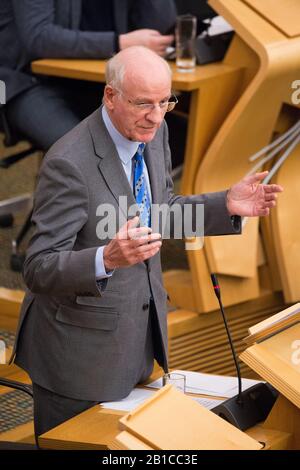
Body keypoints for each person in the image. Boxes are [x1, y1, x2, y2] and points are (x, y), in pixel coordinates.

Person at [11, 46, 283, 439]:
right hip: (77, 358)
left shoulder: (153, 132)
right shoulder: (68, 163)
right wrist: (105, 258)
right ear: (110, 96)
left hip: (137, 339)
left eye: (165, 102)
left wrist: (224, 204)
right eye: (143, 104)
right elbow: (37, 268)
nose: (156, 116)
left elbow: (158, 212)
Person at [0, 0, 176, 150]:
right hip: (24, 82)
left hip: (99, 85)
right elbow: (39, 38)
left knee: (169, 141)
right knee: (88, 154)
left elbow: (160, 31)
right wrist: (119, 43)